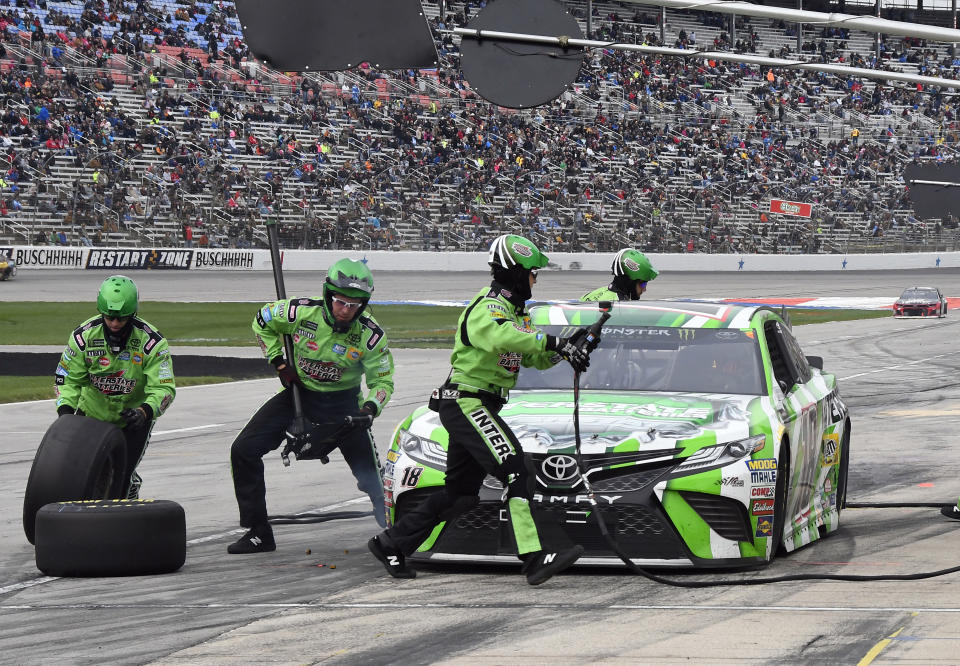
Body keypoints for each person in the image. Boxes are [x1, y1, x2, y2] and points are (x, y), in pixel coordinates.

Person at [368, 234, 599, 585]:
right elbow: (498, 337)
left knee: (460, 496)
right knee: (516, 469)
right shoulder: (490, 306)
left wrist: (569, 348)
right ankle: (535, 557)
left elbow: (533, 358)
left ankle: (390, 543)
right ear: (516, 273)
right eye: (533, 274)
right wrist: (554, 340)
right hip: (466, 400)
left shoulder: (516, 313)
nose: (536, 281)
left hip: (480, 401)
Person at [228, 259, 394, 554]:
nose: (346, 310)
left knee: (373, 479)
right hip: (299, 395)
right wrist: (279, 363)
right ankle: (258, 532)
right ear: (328, 295)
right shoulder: (298, 312)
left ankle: (396, 528)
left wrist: (369, 409)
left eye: (354, 305)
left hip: (346, 406)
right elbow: (262, 320)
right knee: (243, 450)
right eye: (340, 302)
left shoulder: (371, 335)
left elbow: (383, 382)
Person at [54, 275, 176, 499]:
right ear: (101, 311)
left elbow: (165, 389)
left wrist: (144, 411)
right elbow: (67, 379)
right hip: (90, 416)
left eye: (121, 318)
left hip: (132, 422)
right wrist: (65, 414)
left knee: (119, 481)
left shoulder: (153, 343)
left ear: (133, 313)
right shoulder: (83, 337)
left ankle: (129, 489)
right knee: (82, 475)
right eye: (110, 317)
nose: (115, 324)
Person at [582, 249, 658, 301]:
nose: (644, 289)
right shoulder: (620, 306)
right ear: (630, 282)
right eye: (643, 284)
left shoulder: (592, 294)